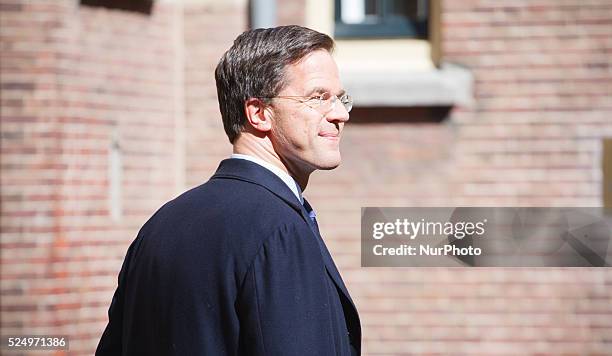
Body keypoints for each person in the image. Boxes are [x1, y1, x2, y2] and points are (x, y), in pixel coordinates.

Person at [96, 25, 361, 355]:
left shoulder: (159, 226)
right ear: (258, 112)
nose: (341, 114)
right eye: (318, 98)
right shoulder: (280, 231)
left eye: (340, 98)